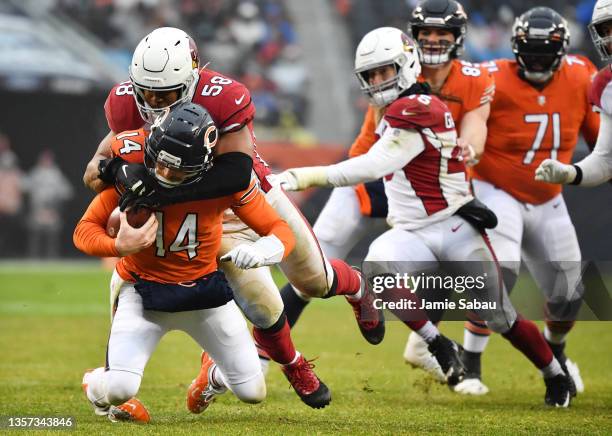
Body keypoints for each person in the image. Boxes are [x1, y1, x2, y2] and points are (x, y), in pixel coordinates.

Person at [278, 26, 574, 407]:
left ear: (404, 66)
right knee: (376, 270)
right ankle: (438, 344)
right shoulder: (399, 106)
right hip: (413, 230)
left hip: (454, 227)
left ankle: (555, 374)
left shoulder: (416, 107)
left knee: (500, 317)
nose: (376, 81)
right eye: (370, 75)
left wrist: (301, 176)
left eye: (383, 72)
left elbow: (372, 165)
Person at [83, 27, 377, 409]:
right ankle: (287, 362)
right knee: (258, 298)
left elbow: (237, 173)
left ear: (190, 80)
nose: (154, 103)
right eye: (146, 92)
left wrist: (164, 190)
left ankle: (357, 286)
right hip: (192, 211)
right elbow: (95, 168)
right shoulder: (124, 103)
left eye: (166, 94)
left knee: (315, 280)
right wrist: (114, 173)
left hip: (240, 195)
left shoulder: (224, 96)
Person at [280, 0, 494, 382]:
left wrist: (469, 150)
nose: (432, 41)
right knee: (313, 267)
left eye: (440, 34)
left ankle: (428, 345)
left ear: (457, 37)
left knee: (448, 265)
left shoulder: (473, 78)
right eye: (425, 34)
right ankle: (265, 355)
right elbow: (379, 154)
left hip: (427, 184)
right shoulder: (391, 65)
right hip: (371, 175)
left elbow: (476, 123)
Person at [75, 103, 294, 422]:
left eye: (177, 169)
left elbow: (280, 230)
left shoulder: (224, 183)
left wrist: (264, 251)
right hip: (143, 291)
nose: (164, 175)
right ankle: (95, 384)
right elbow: (84, 229)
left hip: (204, 294)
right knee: (120, 389)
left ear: (204, 166)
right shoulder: (133, 173)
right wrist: (117, 245)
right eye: (160, 163)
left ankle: (211, 379)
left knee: (252, 392)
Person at [450, 7, 598, 396]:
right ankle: (470, 362)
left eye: (542, 52)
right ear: (515, 48)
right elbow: (473, 121)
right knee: (498, 277)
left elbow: (600, 139)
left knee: (569, 293)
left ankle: (556, 355)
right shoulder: (492, 77)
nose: (534, 59)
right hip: (496, 188)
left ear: (561, 50)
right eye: (527, 51)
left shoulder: (582, 75)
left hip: (549, 198)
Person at [536, 0, 612, 186]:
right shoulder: (605, 85)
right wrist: (570, 173)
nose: (610, 38)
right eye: (606, 31)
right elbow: (606, 161)